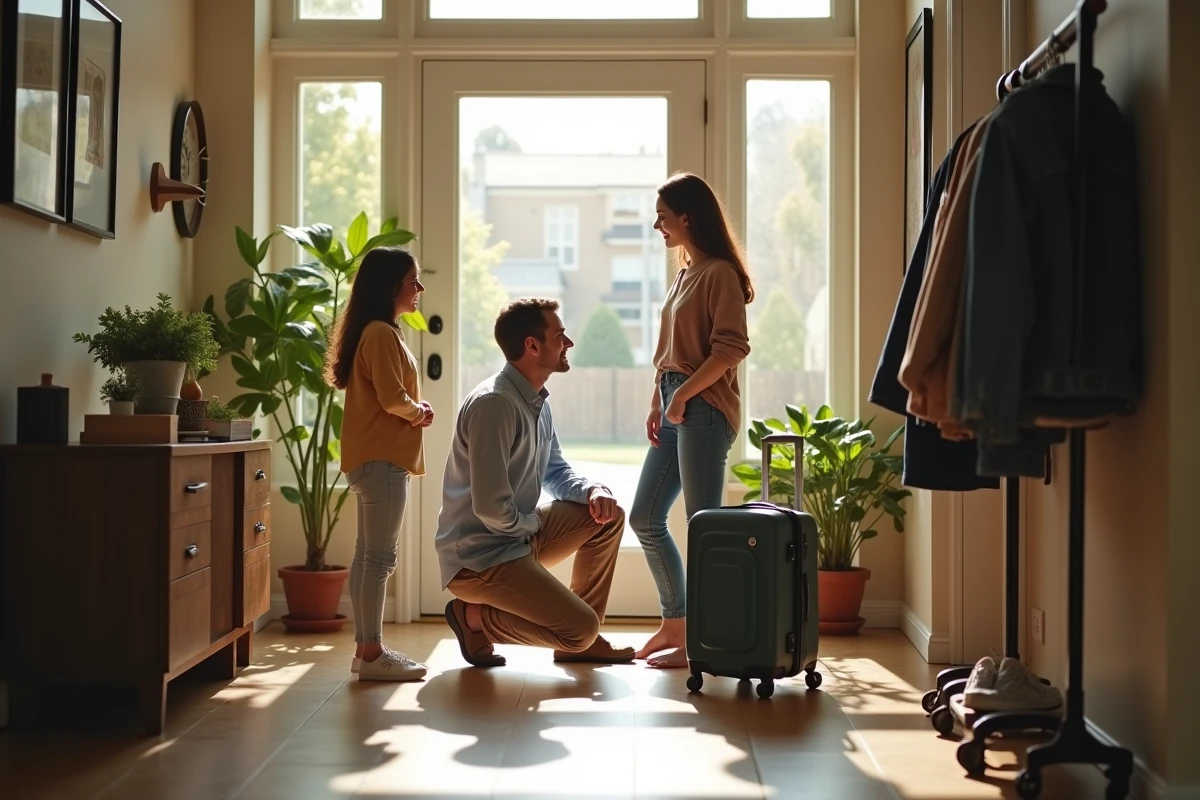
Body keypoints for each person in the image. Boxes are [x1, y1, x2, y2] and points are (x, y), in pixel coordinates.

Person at [436, 298, 636, 667]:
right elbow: (490, 508)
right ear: (532, 345)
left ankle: (583, 640)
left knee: (608, 516)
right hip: (479, 559)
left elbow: (555, 472)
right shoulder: (494, 404)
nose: (569, 343)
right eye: (560, 336)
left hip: (516, 536)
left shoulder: (535, 401)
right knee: (579, 629)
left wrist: (592, 491)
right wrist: (532, 526)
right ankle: (472, 617)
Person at [630, 172, 753, 669]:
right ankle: (676, 623)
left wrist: (681, 394)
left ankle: (702, 638)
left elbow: (731, 349)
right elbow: (670, 352)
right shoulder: (686, 272)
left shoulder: (719, 273)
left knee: (704, 528)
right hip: (675, 403)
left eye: (663, 217)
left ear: (688, 217)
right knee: (644, 517)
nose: (657, 226)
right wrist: (658, 400)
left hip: (703, 408)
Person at [327, 246, 433, 681]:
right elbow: (393, 399)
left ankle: (365, 650)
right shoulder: (381, 334)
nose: (419, 288)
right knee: (380, 558)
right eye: (413, 281)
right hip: (382, 461)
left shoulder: (376, 332)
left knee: (368, 556)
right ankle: (372, 653)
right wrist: (418, 412)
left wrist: (412, 409)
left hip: (370, 461)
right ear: (391, 287)